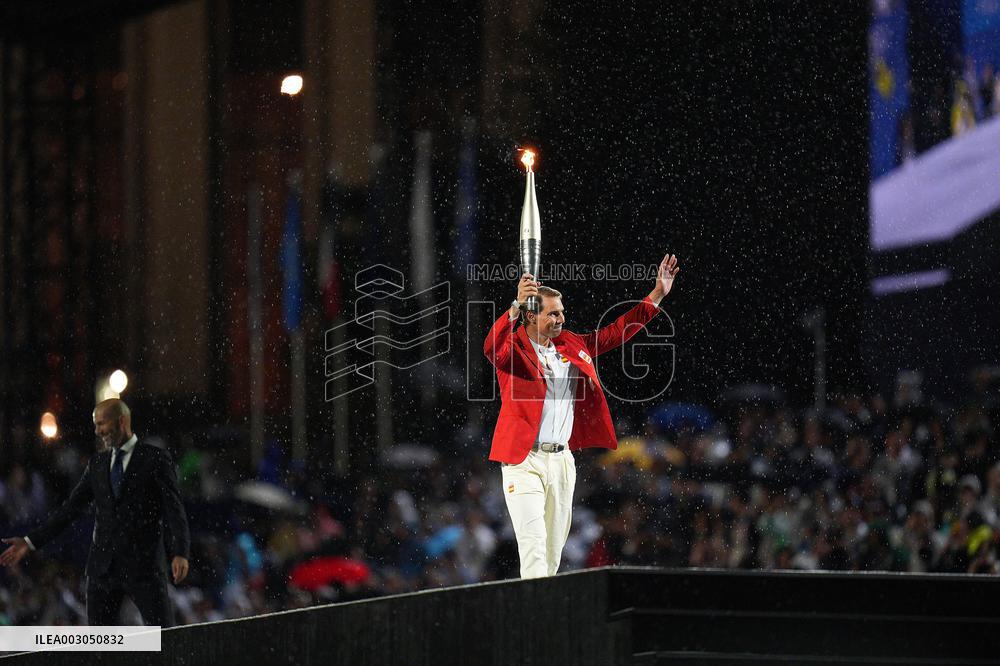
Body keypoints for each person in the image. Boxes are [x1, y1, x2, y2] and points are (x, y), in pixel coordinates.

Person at [483, 253, 679, 578]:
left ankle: (539, 615)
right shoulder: (514, 349)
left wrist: (656, 294)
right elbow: (491, 349)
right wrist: (514, 307)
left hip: (562, 462)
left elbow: (617, 332)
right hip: (523, 462)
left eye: (562, 312)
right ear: (531, 317)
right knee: (533, 547)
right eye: (553, 314)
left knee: (552, 553)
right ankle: (535, 621)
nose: (562, 319)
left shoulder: (570, 343)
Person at [0, 399, 190, 626]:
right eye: (95, 425)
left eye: (102, 423)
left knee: (164, 640)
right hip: (103, 570)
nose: (98, 431)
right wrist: (30, 541)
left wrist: (180, 551)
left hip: (144, 566)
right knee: (100, 645)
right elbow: (69, 510)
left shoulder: (154, 459)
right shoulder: (97, 464)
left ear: (122, 421)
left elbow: (173, 509)